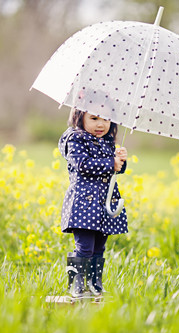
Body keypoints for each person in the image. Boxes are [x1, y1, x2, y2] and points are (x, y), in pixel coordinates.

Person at [58, 108, 128, 298]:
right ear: (80, 117)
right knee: (85, 246)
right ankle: (76, 285)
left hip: (104, 202)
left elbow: (114, 171)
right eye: (94, 118)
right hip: (84, 203)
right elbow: (82, 164)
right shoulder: (74, 139)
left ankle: (94, 284)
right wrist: (109, 163)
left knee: (99, 247)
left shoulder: (107, 141)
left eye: (106, 119)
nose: (100, 124)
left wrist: (120, 160)